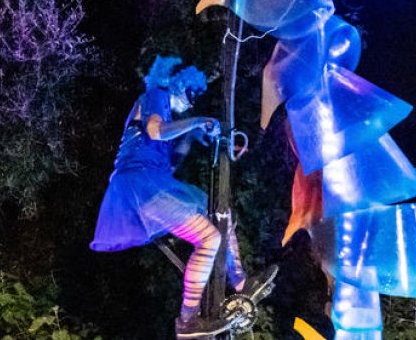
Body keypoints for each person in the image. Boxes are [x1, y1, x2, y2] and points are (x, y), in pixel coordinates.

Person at [90, 57, 277, 338]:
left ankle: (240, 283)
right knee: (209, 238)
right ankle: (188, 321)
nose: (191, 103)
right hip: (139, 186)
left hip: (153, 184)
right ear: (179, 84)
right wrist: (197, 121)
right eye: (191, 94)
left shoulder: (169, 115)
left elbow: (172, 160)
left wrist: (195, 134)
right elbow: (155, 131)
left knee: (218, 212)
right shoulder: (156, 96)